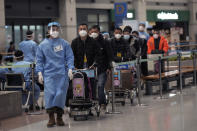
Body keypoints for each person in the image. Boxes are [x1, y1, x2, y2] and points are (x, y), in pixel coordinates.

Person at [36, 22, 74, 127]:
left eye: (56, 29)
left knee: (60, 95)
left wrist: (70, 69)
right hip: (49, 74)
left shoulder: (64, 44)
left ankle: (59, 117)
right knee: (50, 95)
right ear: (48, 30)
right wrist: (39, 73)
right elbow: (39, 60)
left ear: (60, 30)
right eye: (53, 29)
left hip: (62, 74)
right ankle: (51, 118)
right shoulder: (42, 45)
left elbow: (69, 57)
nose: (55, 31)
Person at [89, 25, 113, 109]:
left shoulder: (105, 42)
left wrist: (109, 68)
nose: (93, 33)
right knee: (90, 87)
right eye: (92, 32)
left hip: (103, 68)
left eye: (95, 32)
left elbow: (109, 56)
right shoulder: (88, 43)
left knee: (100, 85)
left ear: (99, 32)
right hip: (91, 69)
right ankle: (91, 103)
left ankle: (102, 103)